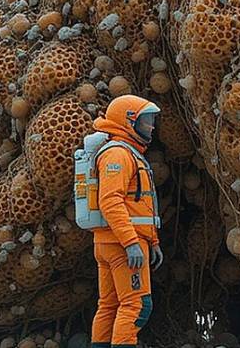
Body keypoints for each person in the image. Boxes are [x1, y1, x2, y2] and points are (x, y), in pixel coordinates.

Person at [89, 94, 164, 348]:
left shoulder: (126, 152)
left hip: (112, 242)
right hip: (122, 244)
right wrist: (131, 242)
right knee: (137, 305)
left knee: (109, 306)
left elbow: (137, 204)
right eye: (146, 121)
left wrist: (152, 241)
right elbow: (110, 201)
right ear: (129, 121)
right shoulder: (118, 154)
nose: (151, 127)